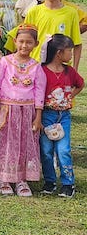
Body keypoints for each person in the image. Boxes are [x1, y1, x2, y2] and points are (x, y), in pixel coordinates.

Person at [0, 24, 46, 196]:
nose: (24, 46)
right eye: (21, 42)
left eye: (29, 43)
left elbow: (39, 91)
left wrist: (38, 117)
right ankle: (4, 178)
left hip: (27, 111)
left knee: (25, 143)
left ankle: (22, 179)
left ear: (35, 44)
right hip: (8, 109)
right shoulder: (5, 62)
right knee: (7, 143)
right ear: (14, 42)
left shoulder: (36, 66)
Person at [6, 0, 82, 70]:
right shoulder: (34, 11)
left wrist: (74, 69)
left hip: (60, 68)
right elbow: (25, 38)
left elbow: (77, 43)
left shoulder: (71, 13)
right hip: (36, 65)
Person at [40, 34, 84, 198]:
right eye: (69, 51)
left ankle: (67, 183)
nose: (71, 55)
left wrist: (70, 96)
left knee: (63, 150)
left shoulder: (69, 71)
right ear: (59, 53)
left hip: (63, 116)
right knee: (46, 150)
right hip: (46, 115)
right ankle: (49, 181)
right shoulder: (42, 71)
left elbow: (80, 84)